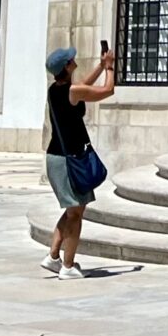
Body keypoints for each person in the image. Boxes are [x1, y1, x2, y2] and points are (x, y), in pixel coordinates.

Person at [40, 40, 115, 278]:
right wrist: (111, 69)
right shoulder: (71, 92)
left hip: (57, 158)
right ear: (67, 66)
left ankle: (53, 257)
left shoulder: (56, 89)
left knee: (73, 210)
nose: (74, 60)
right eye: (70, 59)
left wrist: (101, 67)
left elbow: (83, 87)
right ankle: (68, 266)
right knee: (75, 214)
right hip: (67, 161)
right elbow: (107, 91)